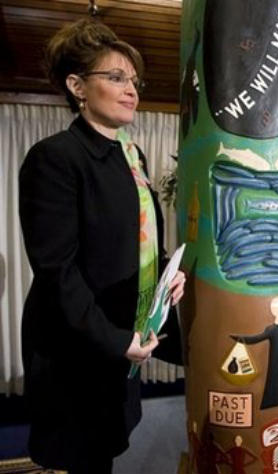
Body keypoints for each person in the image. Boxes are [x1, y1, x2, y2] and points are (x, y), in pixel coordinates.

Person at [19, 18, 185, 474]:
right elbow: (57, 271)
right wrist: (116, 340)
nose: (131, 89)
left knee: (105, 451)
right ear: (77, 86)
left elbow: (140, 241)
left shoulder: (131, 156)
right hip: (79, 345)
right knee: (83, 457)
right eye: (115, 77)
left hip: (123, 336)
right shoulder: (56, 157)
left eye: (134, 80)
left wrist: (171, 274)